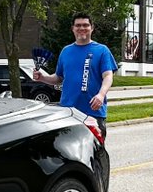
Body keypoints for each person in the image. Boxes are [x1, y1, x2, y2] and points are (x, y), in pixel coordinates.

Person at [33, 13, 117, 141]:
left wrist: (101, 95)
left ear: (92, 28)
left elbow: (108, 76)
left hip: (93, 112)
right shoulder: (66, 51)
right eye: (78, 25)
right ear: (73, 28)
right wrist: (42, 77)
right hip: (68, 112)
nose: (81, 28)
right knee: (69, 152)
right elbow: (58, 77)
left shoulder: (102, 50)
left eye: (85, 25)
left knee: (95, 154)